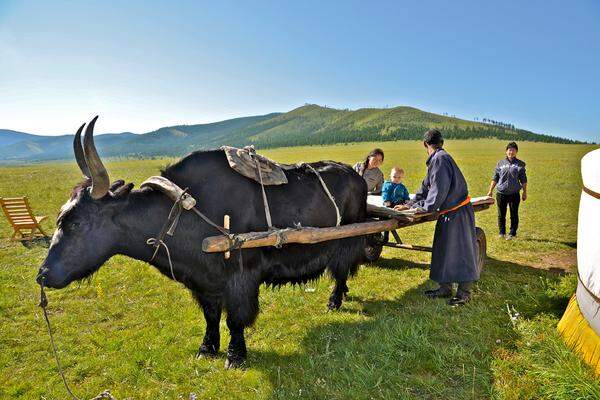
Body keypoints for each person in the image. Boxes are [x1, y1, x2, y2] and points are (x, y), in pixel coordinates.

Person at [404, 129, 479, 306]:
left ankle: (464, 293)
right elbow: (424, 189)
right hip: (449, 213)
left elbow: (435, 198)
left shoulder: (440, 160)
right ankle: (445, 288)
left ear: (425, 145)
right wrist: (408, 205)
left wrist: (419, 207)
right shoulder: (436, 160)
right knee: (443, 250)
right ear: (441, 142)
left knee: (461, 252)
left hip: (457, 213)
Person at [486, 142, 528, 240]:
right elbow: (495, 178)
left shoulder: (520, 164)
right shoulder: (500, 163)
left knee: (514, 214)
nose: (511, 152)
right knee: (501, 214)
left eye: (513, 150)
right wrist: (490, 191)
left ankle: (512, 233)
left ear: (516, 152)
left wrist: (525, 192)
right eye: (509, 150)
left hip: (514, 193)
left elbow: (524, 180)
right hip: (501, 193)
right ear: (506, 151)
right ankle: (502, 232)